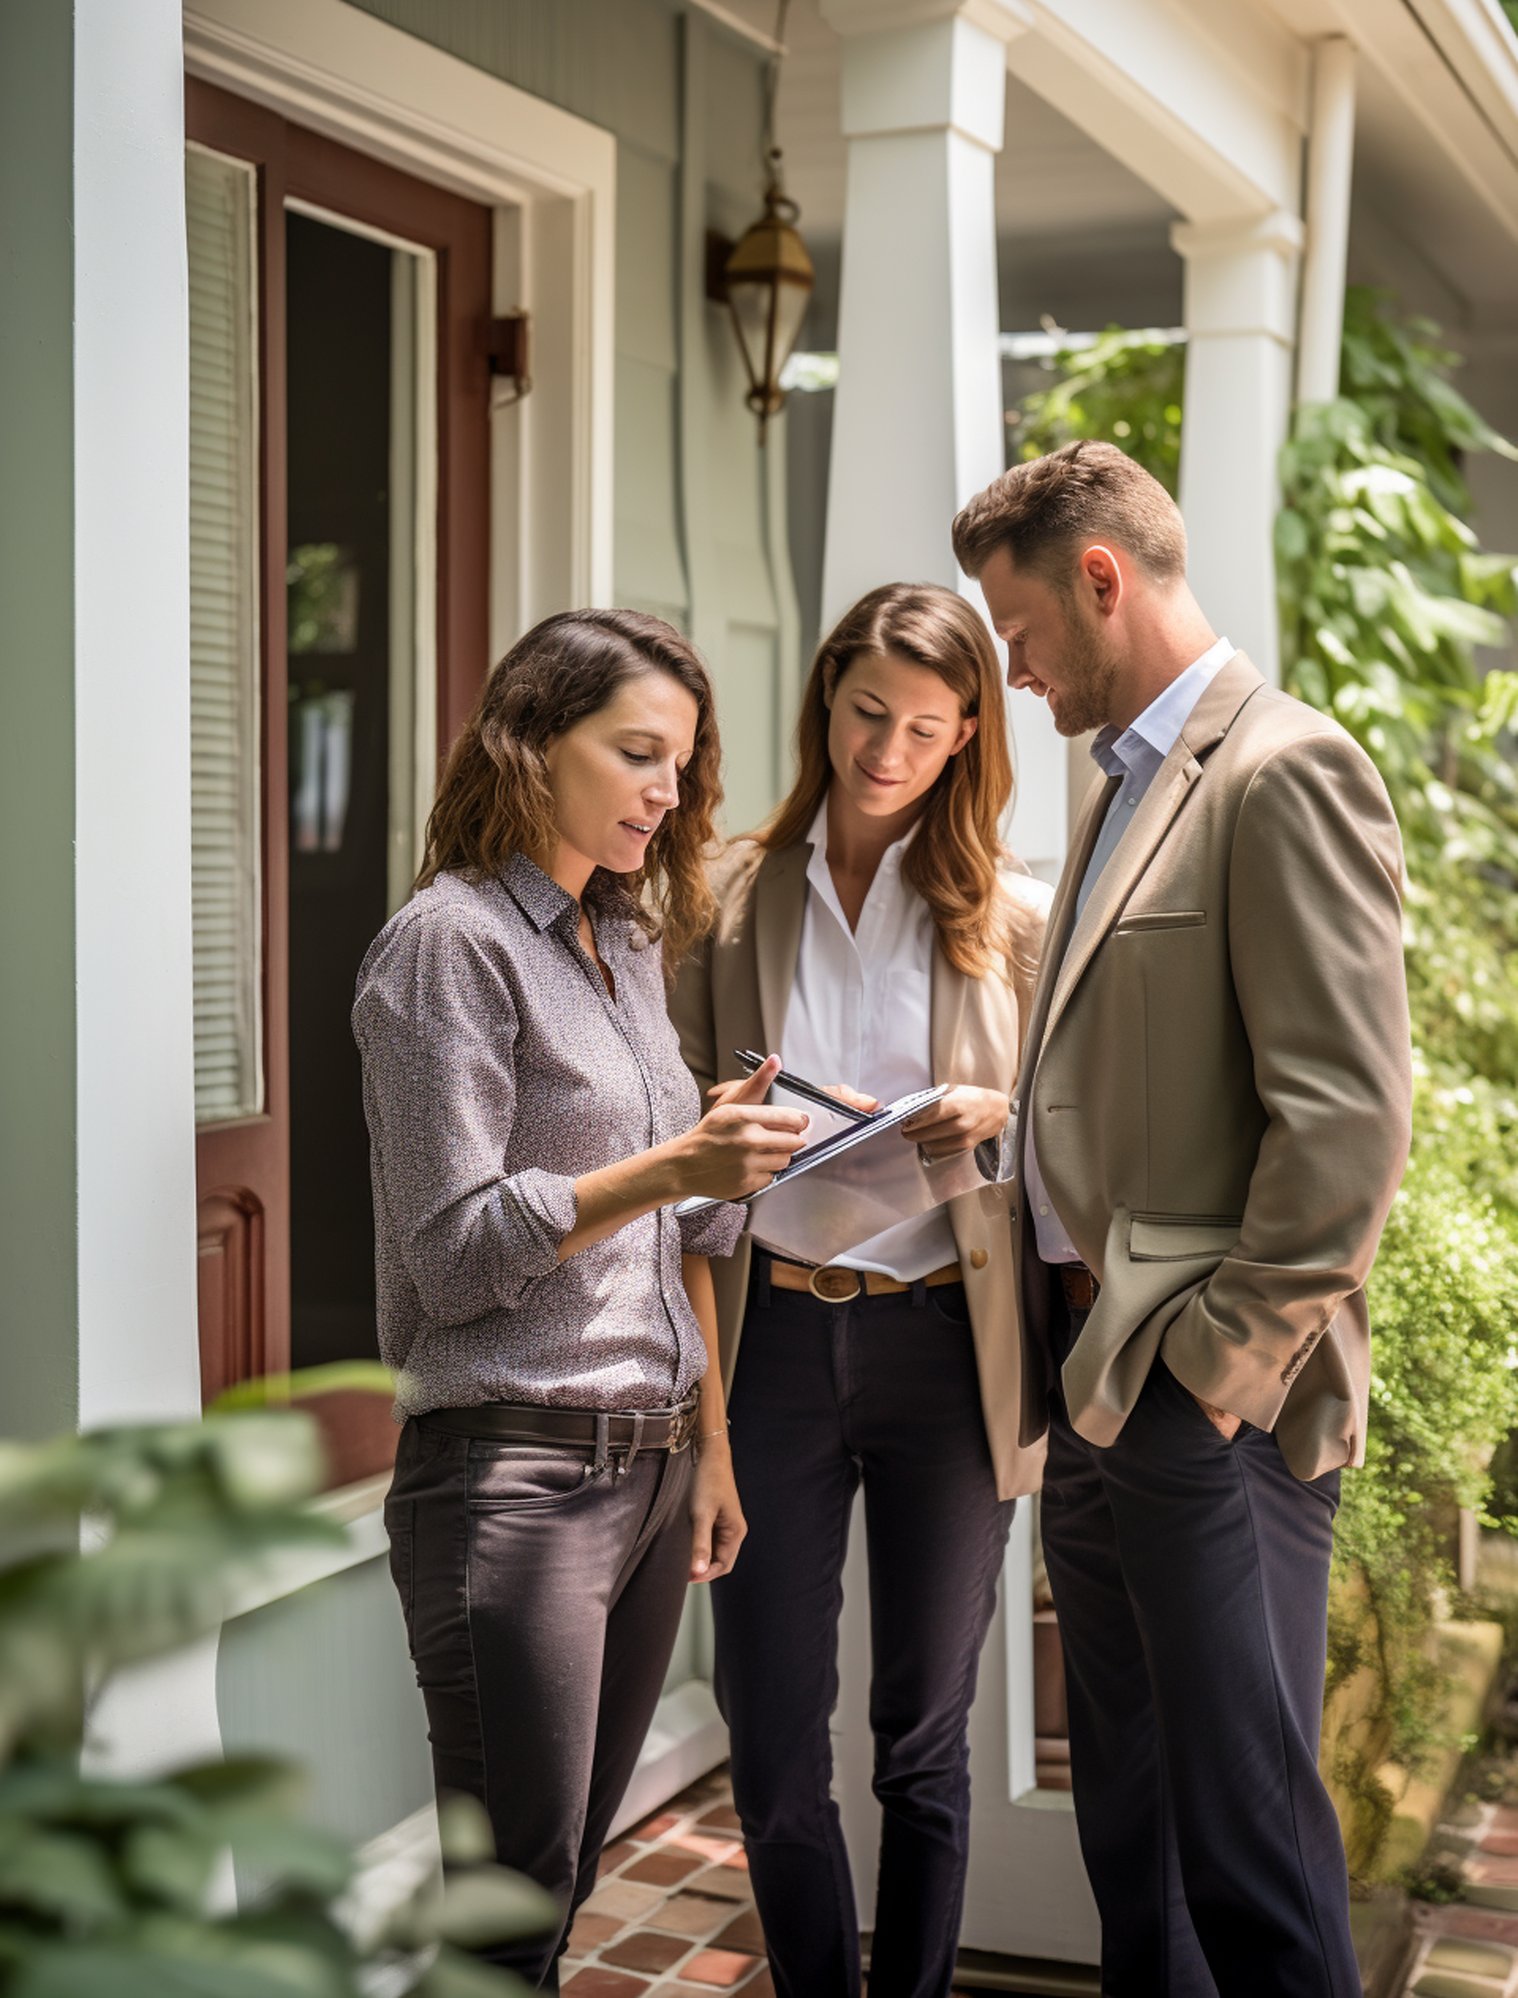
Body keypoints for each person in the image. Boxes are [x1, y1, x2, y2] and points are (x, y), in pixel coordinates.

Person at [952, 440, 1413, 1997]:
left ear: (1101, 578)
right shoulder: (1115, 784)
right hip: (1091, 1379)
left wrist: (1216, 1370)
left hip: (1201, 1401)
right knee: (1131, 1831)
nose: (1010, 673)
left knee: (1249, 1848)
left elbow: (1344, 1123)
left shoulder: (1284, 770)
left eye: (1018, 634)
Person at [352, 608, 811, 1991]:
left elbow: (668, 1227)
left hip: (650, 1465)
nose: (668, 791)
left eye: (682, 761)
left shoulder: (617, 943)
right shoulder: (450, 946)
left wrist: (713, 1445)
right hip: (514, 1480)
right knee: (510, 1904)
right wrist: (670, 1158)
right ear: (532, 744)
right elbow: (453, 1252)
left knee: (556, 1882)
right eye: (637, 752)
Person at [670, 583, 1051, 1998]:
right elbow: (682, 1183)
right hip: (767, 1343)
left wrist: (996, 1108)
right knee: (769, 1740)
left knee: (921, 1737)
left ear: (965, 740)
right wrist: (704, 1427)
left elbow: (1076, 1115)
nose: (887, 748)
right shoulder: (722, 895)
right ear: (824, 700)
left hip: (944, 1351)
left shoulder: (1007, 914)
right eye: (865, 712)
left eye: (926, 728)